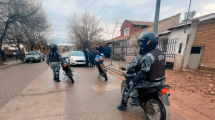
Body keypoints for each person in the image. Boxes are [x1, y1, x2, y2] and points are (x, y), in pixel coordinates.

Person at [117, 32, 166, 110]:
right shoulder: (160, 53)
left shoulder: (148, 56)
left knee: (131, 83)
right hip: (161, 80)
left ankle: (129, 102)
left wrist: (135, 79)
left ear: (148, 43)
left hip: (150, 82)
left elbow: (144, 73)